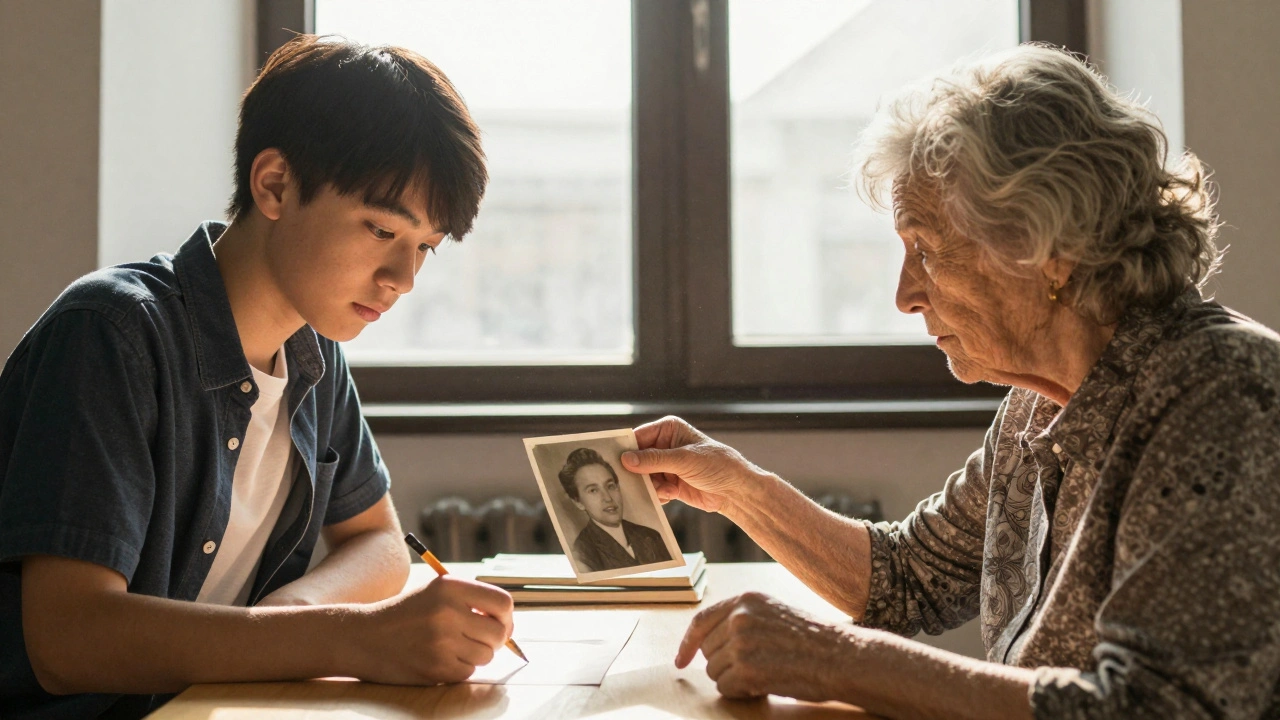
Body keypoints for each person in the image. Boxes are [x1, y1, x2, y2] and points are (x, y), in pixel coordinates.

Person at [621, 44, 1280, 718]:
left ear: (1051, 249)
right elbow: (907, 579)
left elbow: (1153, 710)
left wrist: (835, 658)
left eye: (928, 252)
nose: (906, 295)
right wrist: (737, 488)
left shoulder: (1226, 395)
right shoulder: (1037, 404)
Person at [0, 36, 515, 718]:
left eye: (423, 248)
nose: (403, 280)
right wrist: (345, 640)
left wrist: (289, 620)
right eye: (379, 228)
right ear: (274, 185)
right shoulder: (112, 335)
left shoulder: (314, 347)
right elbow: (67, 640)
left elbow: (381, 542)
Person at [558, 447, 672, 572]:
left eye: (610, 486)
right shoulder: (583, 554)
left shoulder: (650, 536)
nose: (607, 498)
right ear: (578, 502)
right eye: (593, 490)